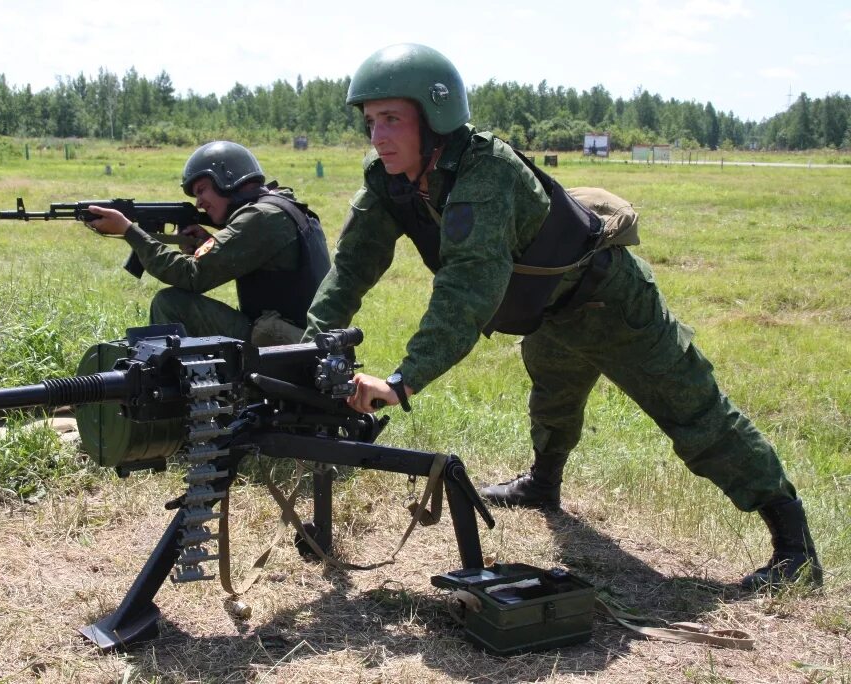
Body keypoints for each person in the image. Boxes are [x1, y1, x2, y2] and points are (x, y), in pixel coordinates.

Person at [303, 43, 822, 589]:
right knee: (553, 404)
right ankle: (542, 484)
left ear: (434, 120)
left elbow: (466, 290)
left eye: (392, 120)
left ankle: (794, 544)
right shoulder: (390, 178)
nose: (378, 137)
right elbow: (353, 265)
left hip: (611, 304)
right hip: (547, 315)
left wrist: (401, 382)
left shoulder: (486, 175)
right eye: (370, 122)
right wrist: (313, 343)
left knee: (697, 416)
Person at [87, 141, 330, 345]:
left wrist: (129, 231)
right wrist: (209, 241)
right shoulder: (280, 208)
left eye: (202, 190)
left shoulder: (261, 217)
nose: (199, 203)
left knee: (171, 303)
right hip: (301, 340)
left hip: (291, 347)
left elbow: (191, 275)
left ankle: (165, 396)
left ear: (227, 178)